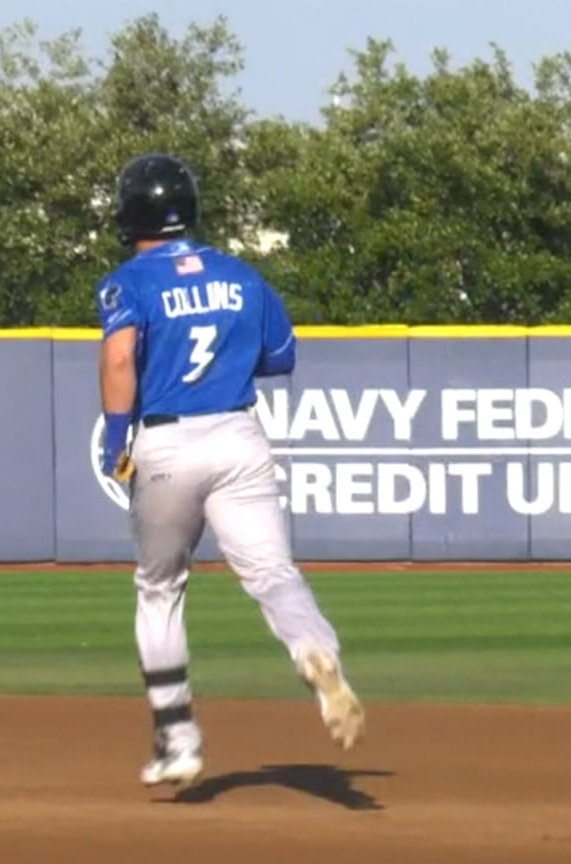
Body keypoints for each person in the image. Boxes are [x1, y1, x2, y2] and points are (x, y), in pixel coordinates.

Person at [94, 153, 365, 789]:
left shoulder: (128, 282)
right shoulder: (243, 276)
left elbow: (119, 359)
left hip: (167, 443)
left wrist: (115, 435)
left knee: (159, 588)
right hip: (239, 436)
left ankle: (178, 739)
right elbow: (280, 356)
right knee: (273, 573)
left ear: (131, 213)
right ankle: (313, 651)